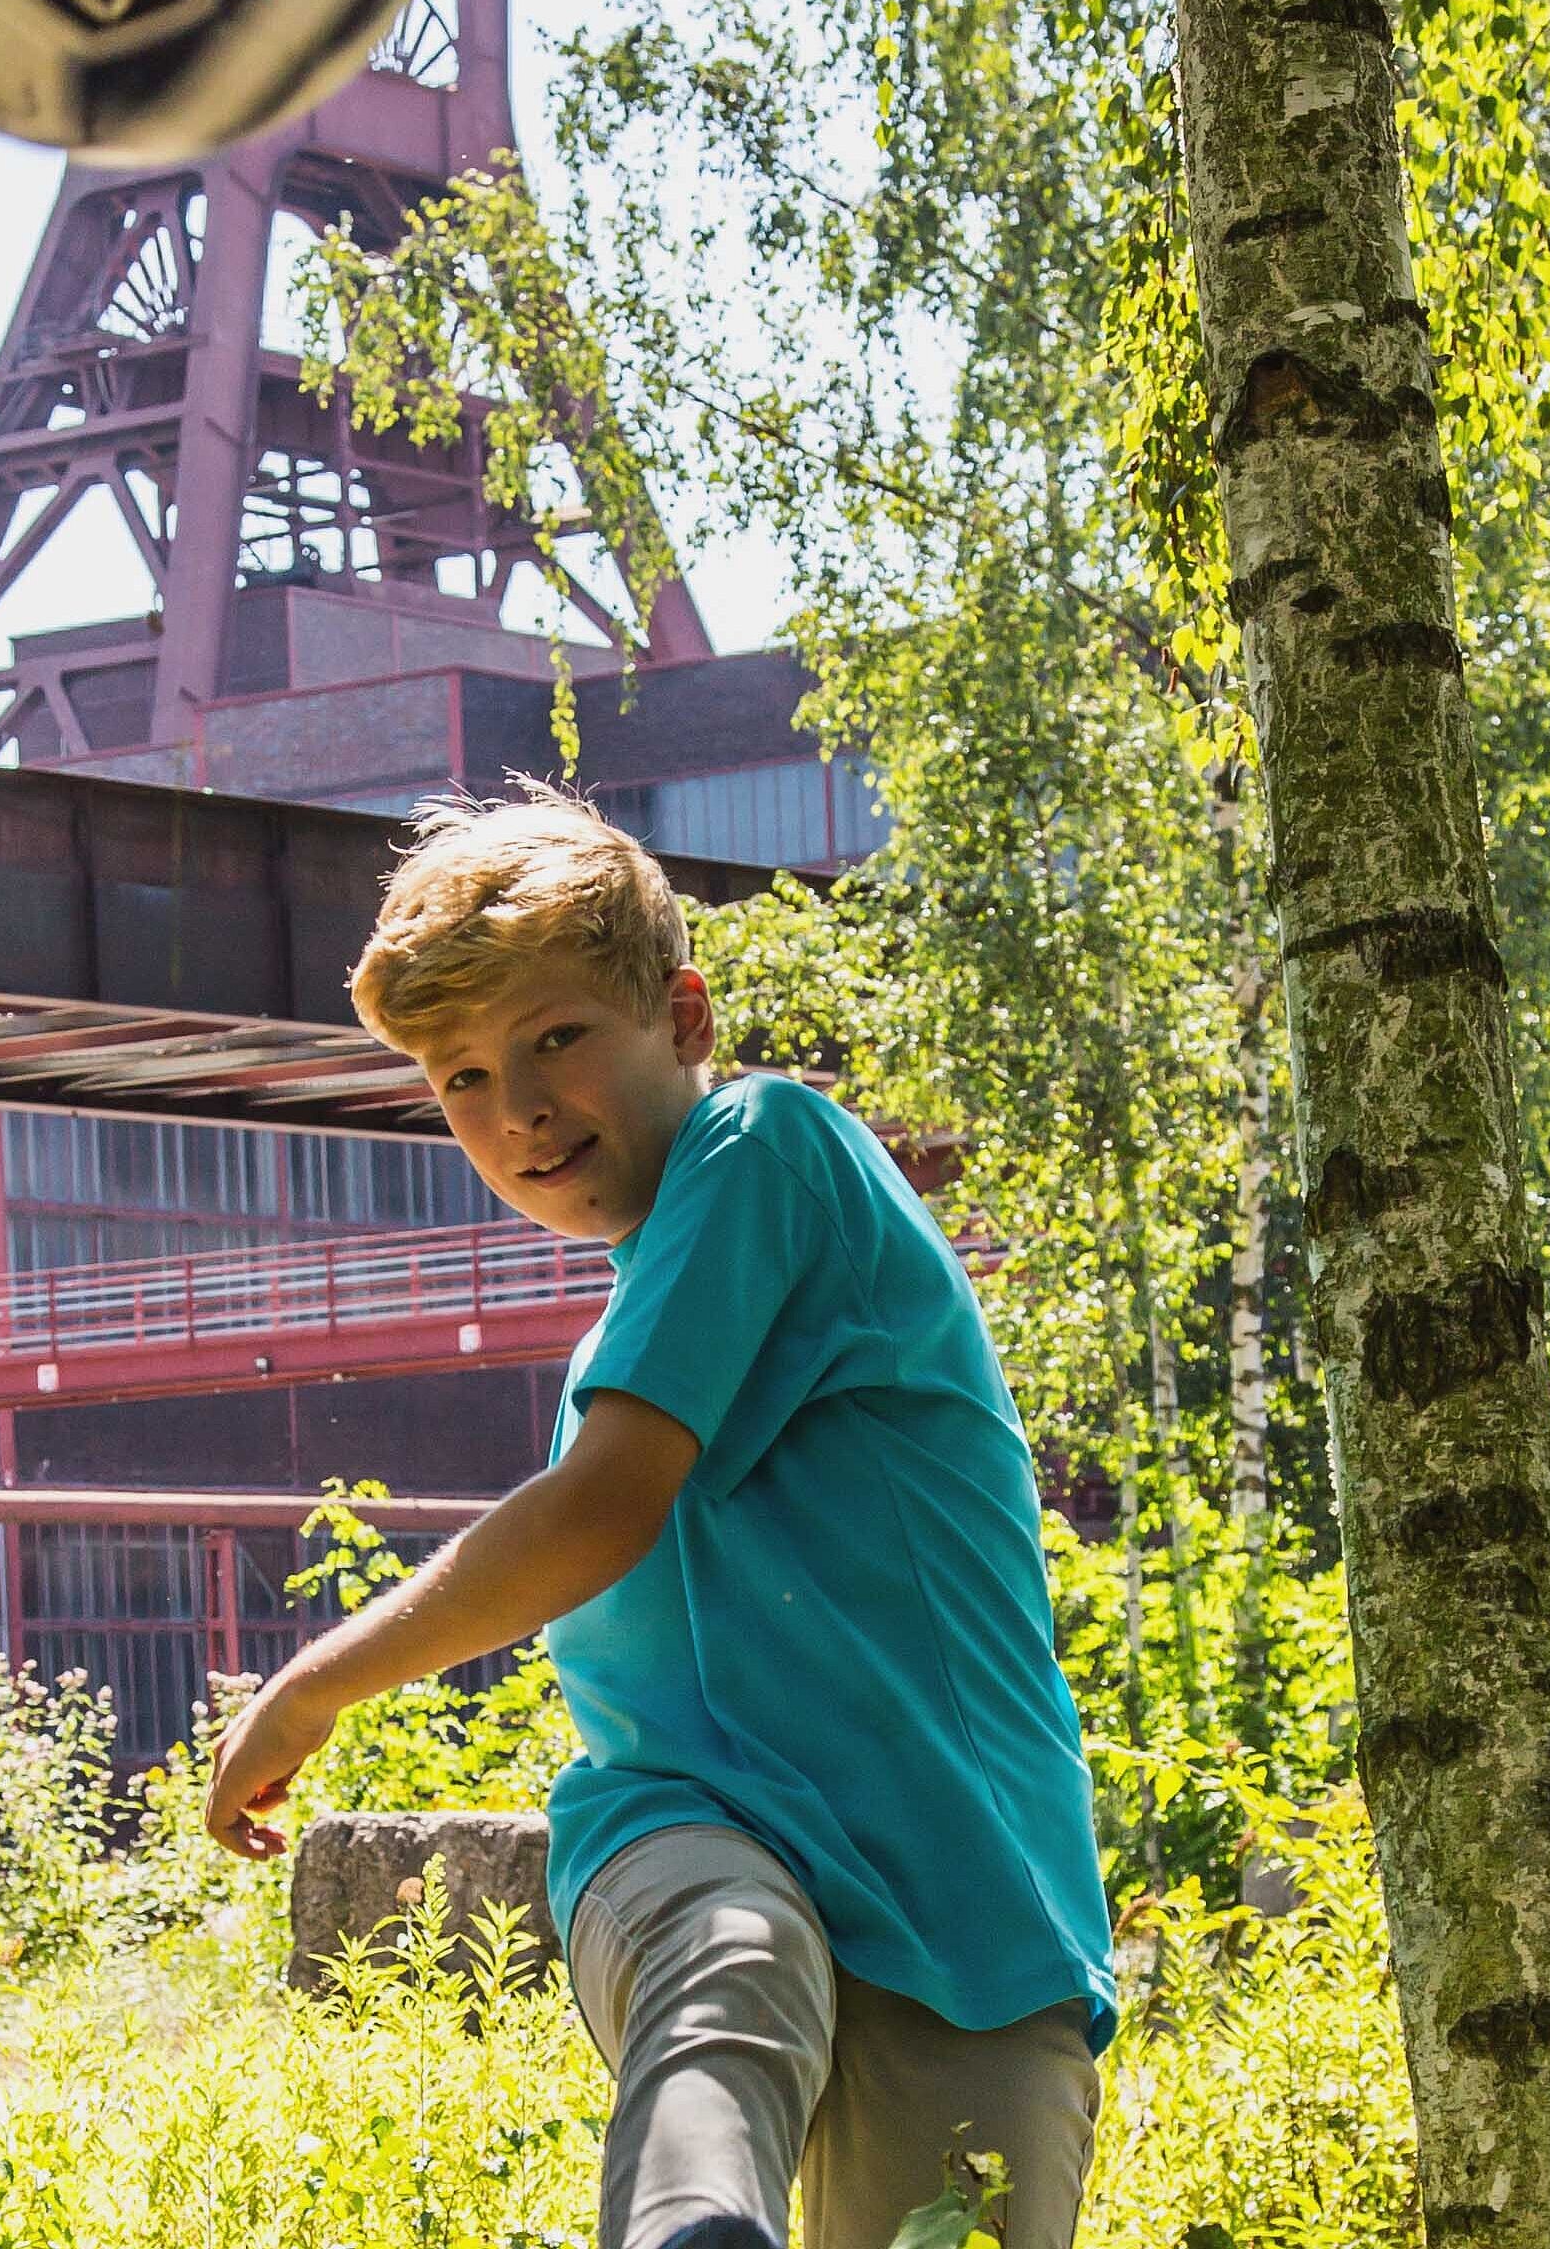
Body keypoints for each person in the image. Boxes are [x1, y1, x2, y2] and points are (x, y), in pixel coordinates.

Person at [203, 789, 1115, 2249]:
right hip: (691, 1831)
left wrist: (318, 1681)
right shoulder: (622, 1332)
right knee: (731, 1964)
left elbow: (602, 1513)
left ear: (683, 1015)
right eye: (462, 1078)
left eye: (556, 1038)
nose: (518, 1111)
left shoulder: (772, 1148)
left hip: (959, 1895)